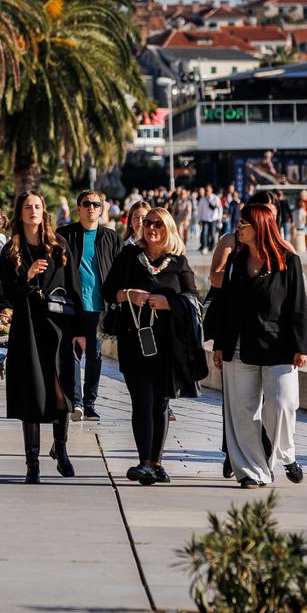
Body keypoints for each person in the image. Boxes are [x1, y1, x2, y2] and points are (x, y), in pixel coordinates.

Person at [212, 203, 307, 487]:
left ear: (260, 227)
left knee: (282, 404)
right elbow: (225, 306)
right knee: (242, 411)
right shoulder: (236, 263)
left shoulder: (289, 262)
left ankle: (281, 452)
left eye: (243, 224)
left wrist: (301, 347)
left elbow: (298, 307)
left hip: (279, 347)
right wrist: (220, 344)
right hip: (238, 346)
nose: (238, 229)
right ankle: (252, 472)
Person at [102, 208, 200, 486]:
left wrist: (169, 302)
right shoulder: (130, 257)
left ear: (169, 228)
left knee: (161, 403)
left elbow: (194, 299)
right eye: (147, 224)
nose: (152, 228)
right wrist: (128, 295)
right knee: (141, 401)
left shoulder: (179, 262)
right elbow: (108, 291)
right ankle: (144, 461)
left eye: (158, 224)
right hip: (135, 339)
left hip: (167, 343)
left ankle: (156, 462)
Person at [0, 192, 84, 484]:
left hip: (59, 327)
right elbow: (7, 293)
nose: (33, 210)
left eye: (37, 206)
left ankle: (60, 449)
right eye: (27, 207)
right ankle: (32, 463)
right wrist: (27, 276)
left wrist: (80, 332)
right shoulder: (11, 250)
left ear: (43, 211)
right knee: (33, 394)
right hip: (28, 330)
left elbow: (74, 288)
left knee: (62, 392)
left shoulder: (59, 245)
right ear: (19, 213)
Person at [58, 190, 121, 421]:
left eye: (96, 204)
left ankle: (90, 402)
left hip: (99, 306)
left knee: (94, 356)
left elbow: (120, 271)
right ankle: (75, 402)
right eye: (86, 204)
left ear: (101, 209)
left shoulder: (111, 238)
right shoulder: (64, 235)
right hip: (73, 305)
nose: (91, 208)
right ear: (79, 208)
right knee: (72, 353)